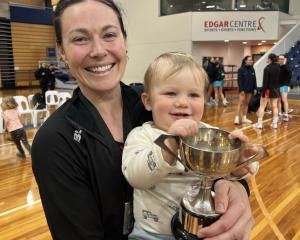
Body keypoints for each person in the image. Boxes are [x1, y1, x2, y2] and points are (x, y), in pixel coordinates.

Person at [32, 1, 255, 239]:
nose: (98, 50)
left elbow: (215, 163)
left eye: (109, 35)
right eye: (80, 39)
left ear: (124, 41)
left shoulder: (158, 106)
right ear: (62, 50)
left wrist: (235, 185)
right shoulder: (54, 142)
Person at [122, 52, 257, 240]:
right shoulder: (142, 135)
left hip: (202, 231)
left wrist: (239, 162)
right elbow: (136, 177)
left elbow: (230, 172)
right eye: (171, 93)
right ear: (148, 101)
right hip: (150, 234)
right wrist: (169, 144)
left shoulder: (209, 134)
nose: (183, 103)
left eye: (194, 95)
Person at [253, 53, 280, 129]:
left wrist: (263, 92)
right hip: (276, 89)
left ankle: (259, 124)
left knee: (262, 106)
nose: (266, 59)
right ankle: (275, 124)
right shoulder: (279, 67)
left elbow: (265, 82)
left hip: (268, 89)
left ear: (270, 59)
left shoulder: (267, 68)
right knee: (275, 106)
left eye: (267, 58)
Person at [234, 56, 257, 125]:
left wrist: (255, 88)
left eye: (251, 60)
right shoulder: (241, 69)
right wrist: (241, 90)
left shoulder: (252, 69)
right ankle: (236, 118)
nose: (251, 61)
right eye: (249, 60)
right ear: (245, 61)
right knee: (240, 103)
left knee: (246, 104)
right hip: (243, 90)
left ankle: (244, 118)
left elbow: (254, 80)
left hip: (250, 89)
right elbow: (239, 80)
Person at [277, 54, 292, 121]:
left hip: (284, 86)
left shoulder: (287, 66)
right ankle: (279, 113)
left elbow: (290, 74)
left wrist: (284, 64)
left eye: (282, 59)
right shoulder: (277, 67)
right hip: (277, 86)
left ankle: (286, 114)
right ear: (278, 60)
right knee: (278, 100)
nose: (281, 60)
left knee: (284, 99)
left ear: (284, 59)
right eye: (280, 59)